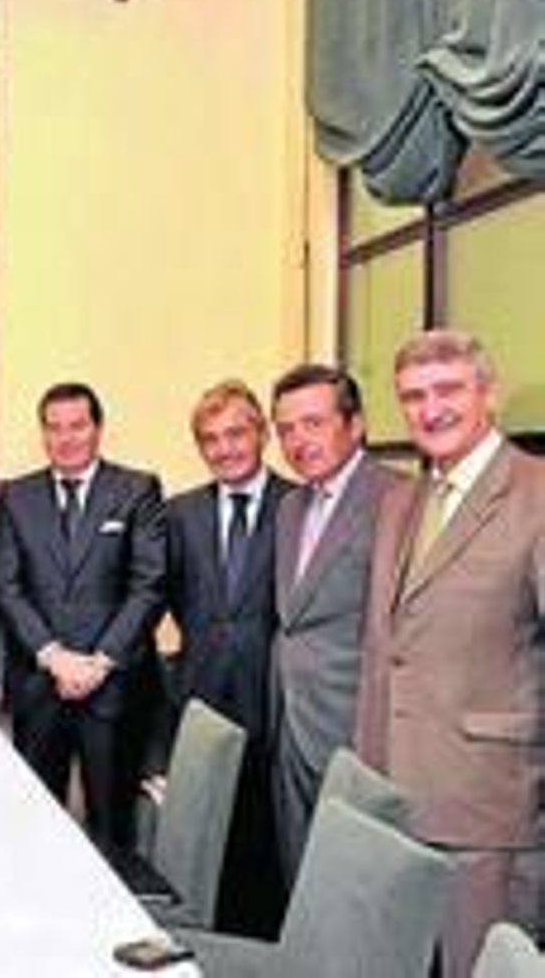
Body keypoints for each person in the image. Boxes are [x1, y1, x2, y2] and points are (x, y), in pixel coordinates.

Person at [356, 330, 544, 977]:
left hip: (490, 810)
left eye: (448, 390)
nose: (430, 409)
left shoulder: (536, 494)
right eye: (413, 396)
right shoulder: (400, 501)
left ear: (488, 393)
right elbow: (387, 651)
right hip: (394, 799)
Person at [0, 382, 165, 848]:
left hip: (112, 690)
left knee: (112, 831)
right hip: (38, 687)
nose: (65, 438)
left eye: (77, 426)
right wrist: (54, 657)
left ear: (97, 429)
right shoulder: (15, 496)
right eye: (54, 428)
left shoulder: (137, 490)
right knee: (34, 831)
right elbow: (7, 587)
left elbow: (149, 586)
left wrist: (99, 663)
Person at [158, 380, 293, 935]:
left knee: (274, 840)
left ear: (261, 433)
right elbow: (160, 602)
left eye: (235, 434)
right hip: (202, 696)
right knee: (209, 839)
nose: (224, 449)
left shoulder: (298, 506)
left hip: (277, 700)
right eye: (210, 439)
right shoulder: (178, 514)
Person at [268, 362, 397, 883]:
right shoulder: (290, 507)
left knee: (352, 892)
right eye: (286, 429)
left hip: (357, 736)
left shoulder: (398, 500)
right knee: (300, 885)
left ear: (356, 424)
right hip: (290, 727)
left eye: (313, 423)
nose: (298, 440)